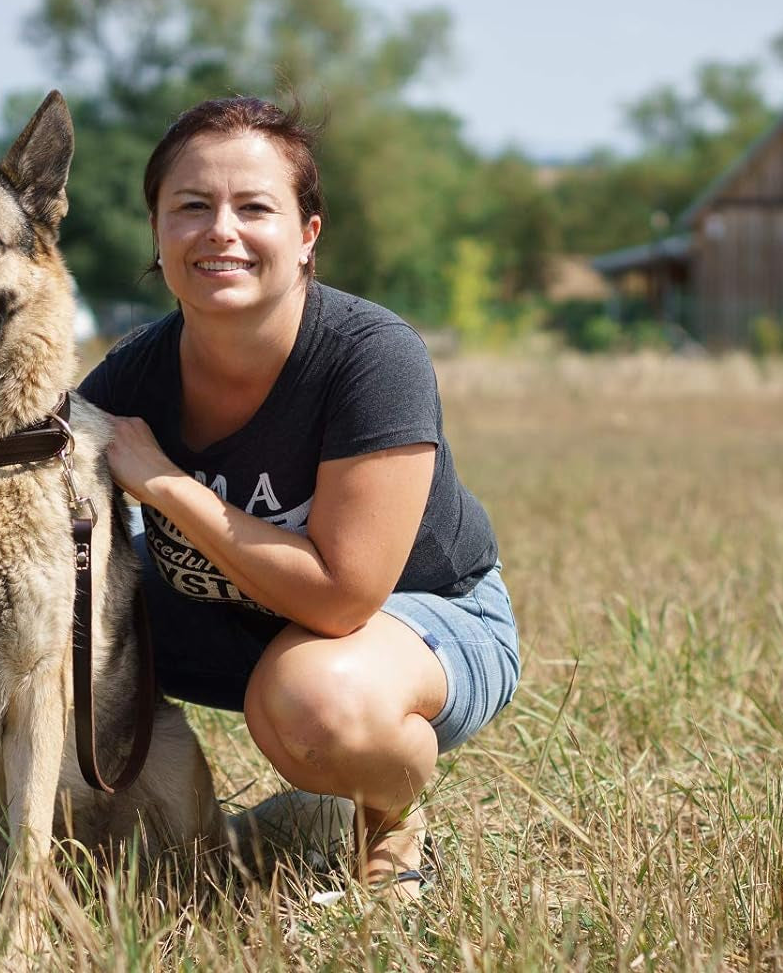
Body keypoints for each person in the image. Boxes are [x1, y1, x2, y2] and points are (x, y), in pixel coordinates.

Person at [78, 96, 520, 897]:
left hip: (419, 623)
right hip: (233, 619)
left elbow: (343, 600)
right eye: (191, 207)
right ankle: (130, 836)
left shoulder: (370, 358)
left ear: (307, 235)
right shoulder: (133, 374)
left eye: (254, 207)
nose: (220, 230)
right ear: (157, 231)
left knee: (315, 702)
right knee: (53, 625)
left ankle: (390, 838)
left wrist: (167, 484)